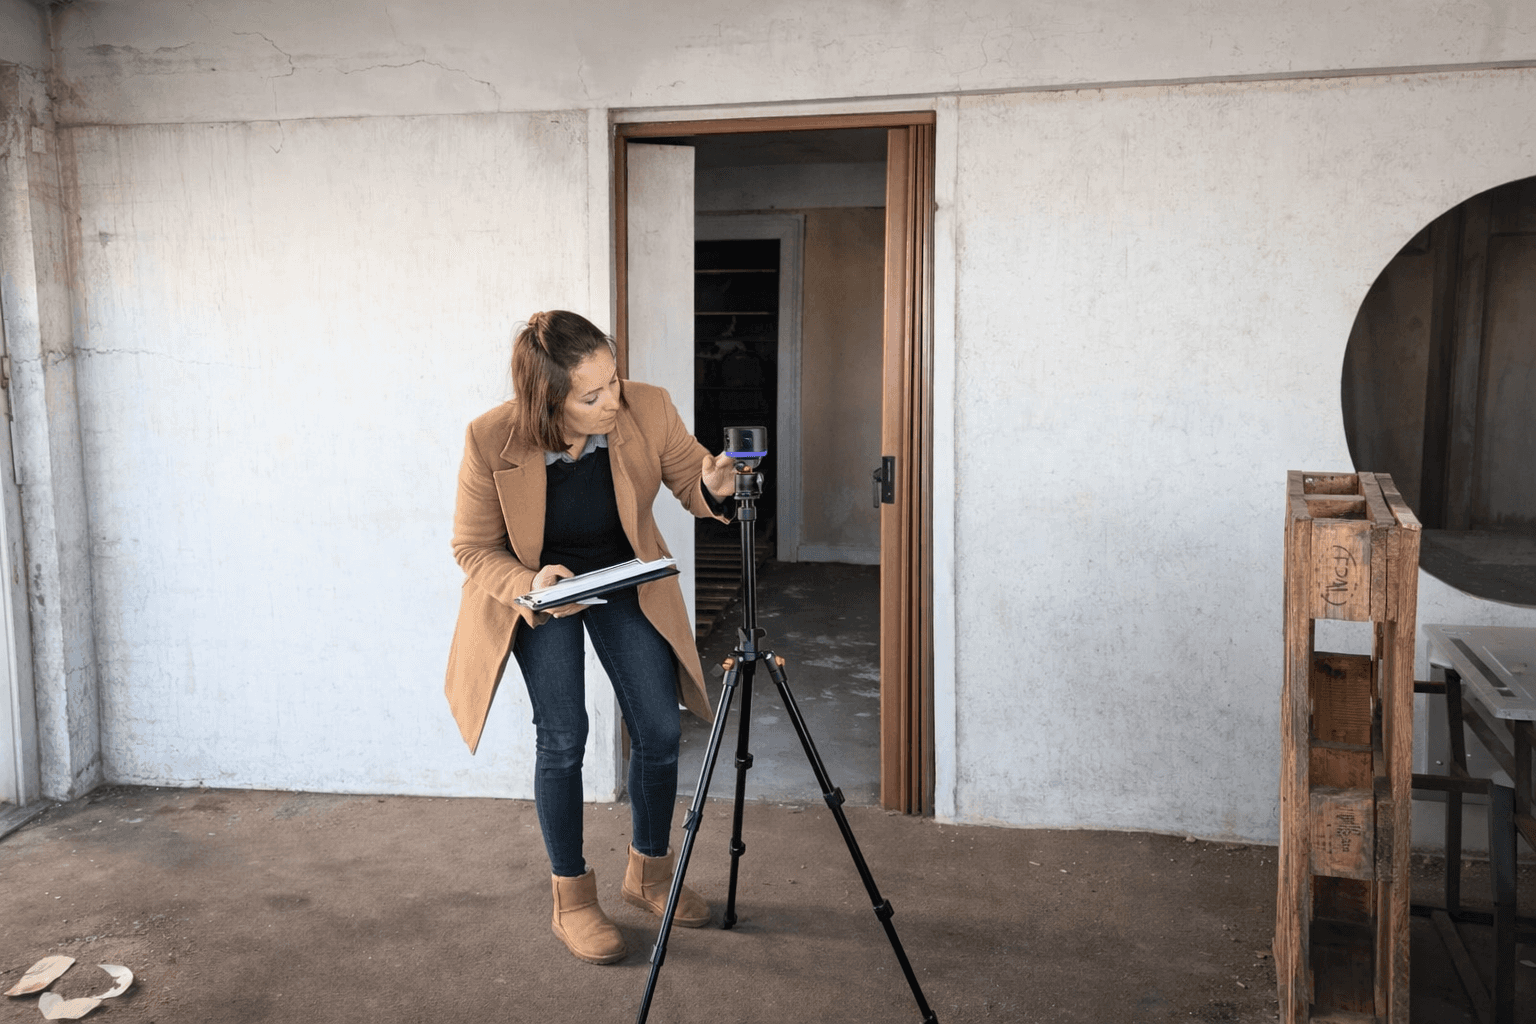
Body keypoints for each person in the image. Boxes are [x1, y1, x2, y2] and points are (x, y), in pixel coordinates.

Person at [444, 310, 736, 964]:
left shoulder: (646, 408)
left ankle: (649, 876)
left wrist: (713, 485)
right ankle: (572, 900)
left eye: (614, 381)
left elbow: (692, 474)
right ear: (549, 400)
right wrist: (532, 579)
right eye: (592, 395)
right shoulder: (491, 439)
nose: (613, 401)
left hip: (623, 576)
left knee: (659, 730)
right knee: (564, 735)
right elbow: (470, 547)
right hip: (544, 592)